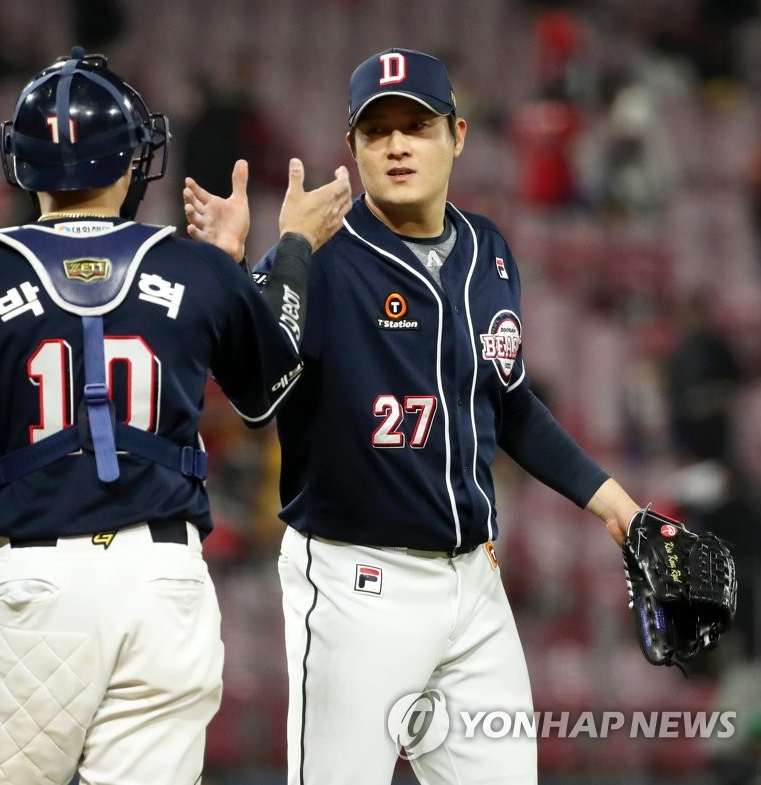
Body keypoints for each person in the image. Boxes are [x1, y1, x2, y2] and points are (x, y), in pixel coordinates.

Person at [0, 47, 350, 785]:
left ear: (23, 165)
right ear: (128, 165)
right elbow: (267, 386)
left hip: (35, 589)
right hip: (164, 583)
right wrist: (288, 247)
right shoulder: (195, 267)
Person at [184, 47, 643, 785]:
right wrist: (261, 261)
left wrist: (618, 506)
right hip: (356, 585)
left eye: (417, 125)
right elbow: (253, 392)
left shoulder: (489, 251)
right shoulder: (319, 258)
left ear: (457, 136)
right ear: (353, 149)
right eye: (377, 130)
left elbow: (511, 401)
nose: (397, 144)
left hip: (475, 584)